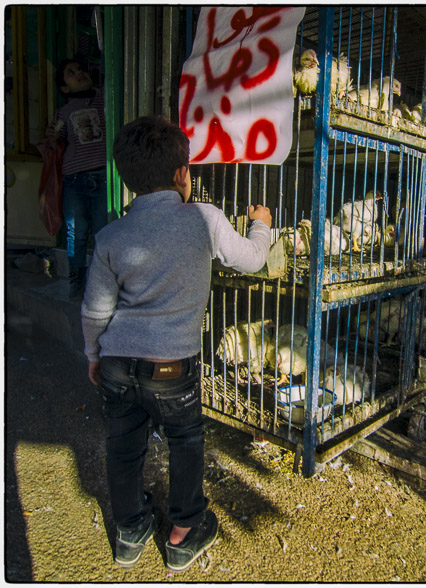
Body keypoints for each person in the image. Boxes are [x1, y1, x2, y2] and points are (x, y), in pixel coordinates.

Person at [81, 115, 274, 571]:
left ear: (127, 179)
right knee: (185, 439)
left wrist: (93, 355)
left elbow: (94, 311)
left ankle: (130, 532)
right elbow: (251, 259)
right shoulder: (204, 219)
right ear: (182, 174)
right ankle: (184, 532)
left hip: (116, 362)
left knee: (122, 446)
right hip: (170, 368)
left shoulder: (110, 236)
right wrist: (261, 223)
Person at [45, 58, 109, 299]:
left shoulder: (103, 98)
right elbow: (55, 143)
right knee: (76, 232)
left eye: (81, 69)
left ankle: (102, 282)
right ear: (65, 88)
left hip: (102, 176)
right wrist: (51, 137)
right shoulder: (62, 113)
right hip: (74, 179)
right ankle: (77, 282)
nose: (79, 73)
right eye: (71, 73)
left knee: (103, 232)